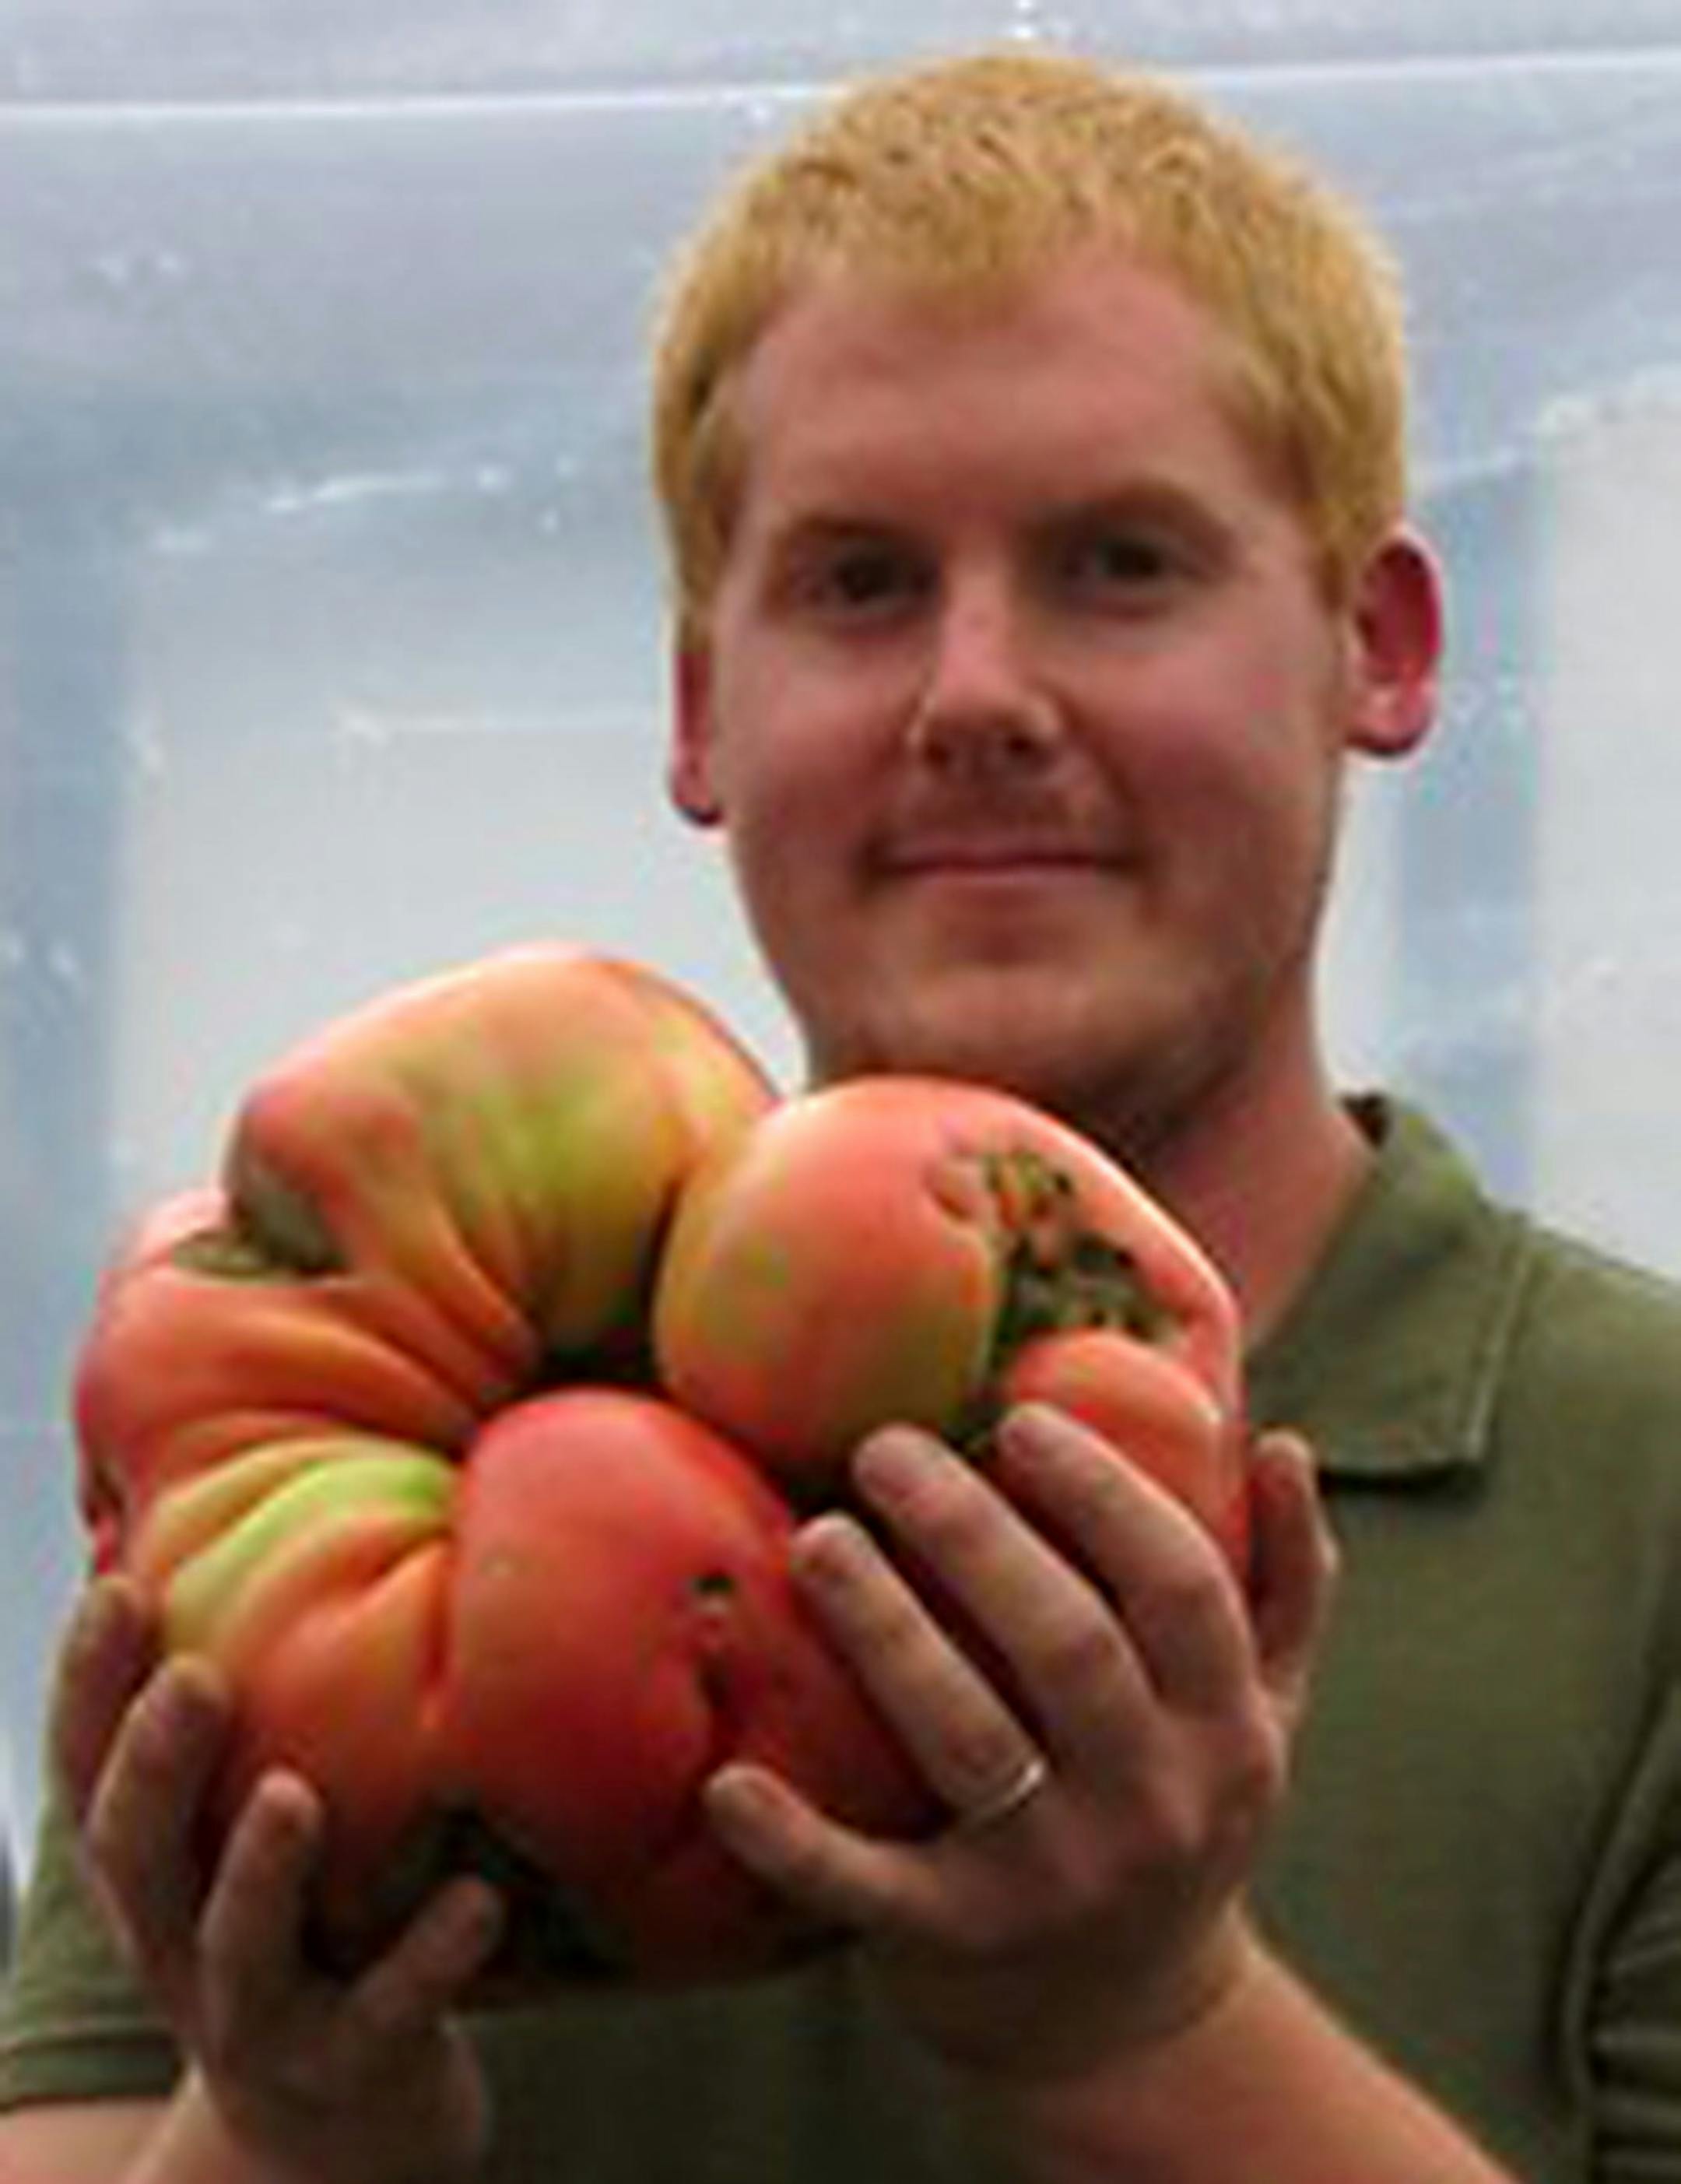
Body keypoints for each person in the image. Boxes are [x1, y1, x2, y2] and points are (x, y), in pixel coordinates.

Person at [4, 43, 1681, 2184]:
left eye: (1120, 564)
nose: (979, 694)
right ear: (706, 703)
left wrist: (1151, 2026)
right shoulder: (344, 1427)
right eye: (862, 583)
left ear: (1377, 642)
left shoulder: (1646, 1505)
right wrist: (292, 2123)